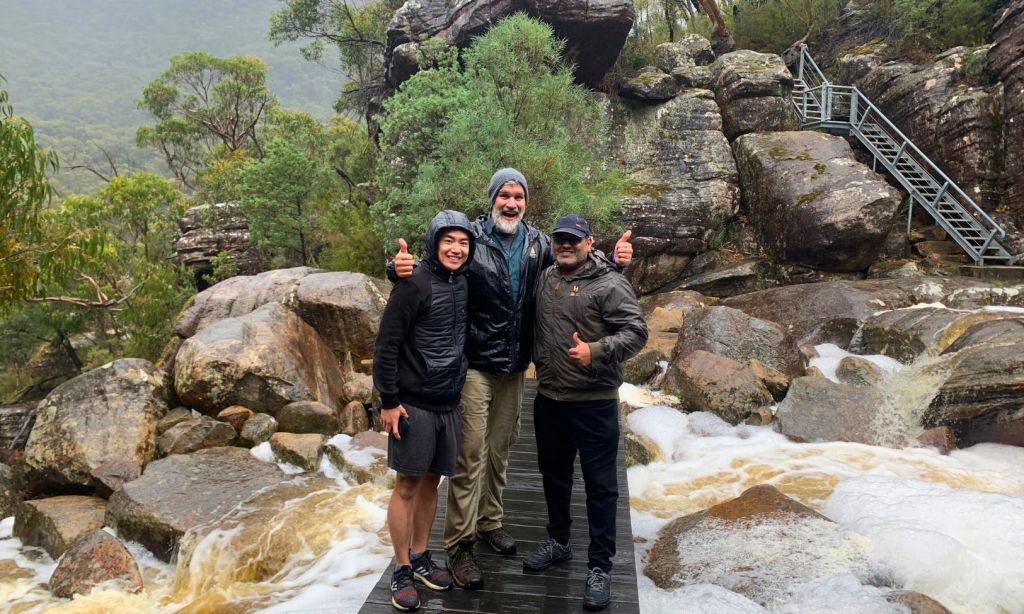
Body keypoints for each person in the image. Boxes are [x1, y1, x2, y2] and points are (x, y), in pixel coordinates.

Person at [392, 168, 634, 590]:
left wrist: (615, 262)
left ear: (526, 202)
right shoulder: (471, 238)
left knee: (501, 451)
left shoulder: (539, 243)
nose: (511, 203)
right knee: (470, 456)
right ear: (491, 199)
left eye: (518, 196)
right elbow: (437, 260)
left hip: (516, 367)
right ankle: (461, 543)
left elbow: (574, 268)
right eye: (504, 195)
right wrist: (397, 269)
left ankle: (491, 521)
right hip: (474, 365)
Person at [523, 214, 647, 611]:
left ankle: (600, 567)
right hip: (550, 399)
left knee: (601, 487)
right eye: (560, 239)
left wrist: (594, 350)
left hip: (594, 403)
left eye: (573, 240)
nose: (565, 245)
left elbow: (636, 332)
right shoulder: (546, 278)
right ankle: (559, 541)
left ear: (589, 242)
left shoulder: (610, 283)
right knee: (554, 477)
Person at [373, 209, 476, 611]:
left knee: (433, 483)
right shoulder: (413, 283)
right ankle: (400, 568)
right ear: (434, 242)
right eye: (448, 240)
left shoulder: (465, 281)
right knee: (407, 486)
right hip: (413, 404)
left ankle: (419, 557)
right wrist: (389, 401)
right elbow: (386, 345)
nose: (456, 248)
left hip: (448, 401)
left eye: (463, 242)